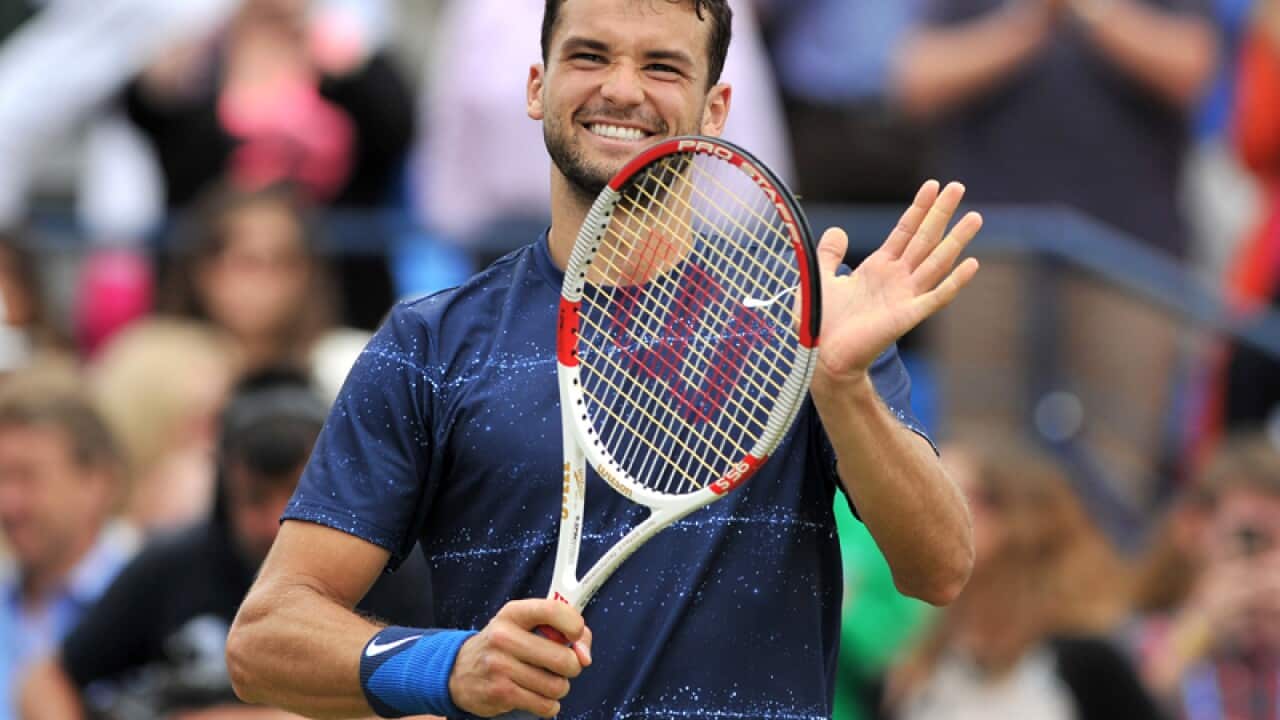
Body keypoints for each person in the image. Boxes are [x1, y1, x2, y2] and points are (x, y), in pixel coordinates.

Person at [226, 1, 981, 718]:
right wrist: (449, 666)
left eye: (662, 66)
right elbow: (264, 640)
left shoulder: (812, 321)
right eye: (589, 56)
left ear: (715, 109)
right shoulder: (429, 345)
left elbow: (940, 569)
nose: (621, 89)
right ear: (537, 85)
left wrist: (843, 386)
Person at [894, 0, 1219, 505]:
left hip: (1129, 253)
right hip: (989, 247)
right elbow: (917, 80)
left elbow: (1192, 72)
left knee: (1116, 464)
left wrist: (1095, 12)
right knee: (976, 457)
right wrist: (1028, 23)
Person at [16, 368, 437, 720]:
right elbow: (46, 683)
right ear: (224, 496)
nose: (276, 521)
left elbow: (443, 700)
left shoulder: (397, 570)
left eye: (297, 495)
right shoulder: (173, 565)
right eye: (255, 499)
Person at [886, 438, 1163, 720]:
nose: (931, 513)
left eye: (957, 495)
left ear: (1017, 519)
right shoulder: (929, 648)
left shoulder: (1084, 658)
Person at [0, 368, 136, 719]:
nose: (8, 503)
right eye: (1, 478)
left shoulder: (149, 606)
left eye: (27, 477)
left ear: (96, 481)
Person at [1132, 435, 1280, 719]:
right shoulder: (1131, 637)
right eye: (1252, 539)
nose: (1274, 567)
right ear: (1191, 527)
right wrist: (1200, 631)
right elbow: (1120, 704)